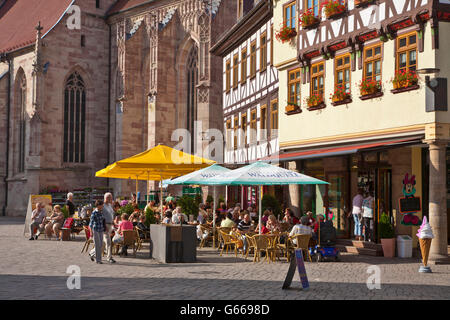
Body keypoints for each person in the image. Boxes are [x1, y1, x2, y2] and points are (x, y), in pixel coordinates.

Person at [100, 193, 116, 264]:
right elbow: (101, 217)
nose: (111, 199)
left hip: (110, 225)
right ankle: (109, 257)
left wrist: (113, 222)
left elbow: (111, 214)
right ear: (106, 198)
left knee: (103, 243)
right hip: (105, 225)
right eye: (110, 198)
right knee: (108, 242)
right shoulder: (102, 206)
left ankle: (93, 253)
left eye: (111, 198)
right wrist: (104, 226)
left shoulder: (109, 205)